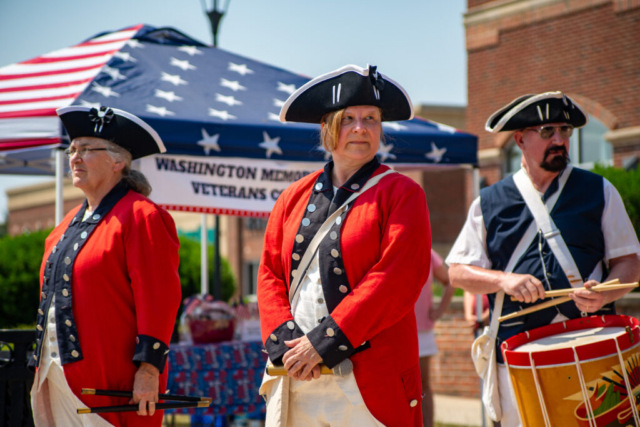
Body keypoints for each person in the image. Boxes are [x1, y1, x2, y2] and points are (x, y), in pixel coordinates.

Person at [446, 91, 640, 427]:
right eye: (547, 131)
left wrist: (605, 293)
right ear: (520, 139)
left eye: (565, 131)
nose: (560, 140)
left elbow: (629, 261)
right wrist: (503, 280)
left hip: (592, 345)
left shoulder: (599, 190)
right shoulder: (489, 201)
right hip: (518, 356)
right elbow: (458, 273)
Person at [257, 64, 431, 427]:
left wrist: (322, 343)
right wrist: (287, 343)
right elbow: (270, 275)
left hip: (367, 380)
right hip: (296, 372)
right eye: (348, 118)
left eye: (371, 118)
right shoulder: (292, 197)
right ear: (326, 128)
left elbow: (394, 279)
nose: (360, 128)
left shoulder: (402, 193)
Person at [29, 106, 182, 427]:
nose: (74, 157)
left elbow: (159, 299)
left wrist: (149, 370)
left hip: (112, 383)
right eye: (72, 150)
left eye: (86, 150)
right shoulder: (64, 225)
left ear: (118, 162)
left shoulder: (142, 215)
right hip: (54, 375)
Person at [414, 249, 454, 427]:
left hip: (422, 330)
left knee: (423, 385)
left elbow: (450, 281)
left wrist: (439, 311)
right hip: (392, 329)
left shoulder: (426, 252)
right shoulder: (385, 243)